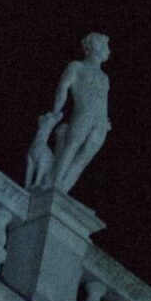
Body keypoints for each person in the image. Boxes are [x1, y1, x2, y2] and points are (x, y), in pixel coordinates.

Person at [25, 35, 111, 194]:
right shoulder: (77, 67)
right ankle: (54, 184)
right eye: (106, 46)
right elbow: (62, 89)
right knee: (71, 148)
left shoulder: (104, 78)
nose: (109, 50)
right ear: (96, 47)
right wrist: (56, 112)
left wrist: (105, 121)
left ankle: (62, 189)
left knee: (84, 157)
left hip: (100, 122)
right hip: (84, 114)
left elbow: (103, 100)